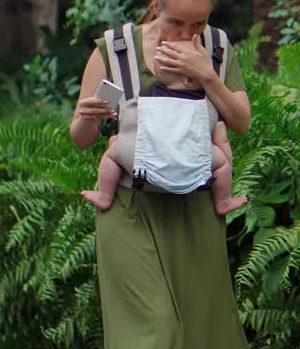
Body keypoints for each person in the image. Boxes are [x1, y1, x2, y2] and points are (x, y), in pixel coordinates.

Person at [68, 0, 266, 349]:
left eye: (197, 24)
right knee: (152, 325)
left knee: (180, 331)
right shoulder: (117, 50)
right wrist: (88, 116)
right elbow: (83, 138)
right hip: (128, 209)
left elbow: (241, 123)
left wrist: (206, 73)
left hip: (194, 211)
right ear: (156, 6)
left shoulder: (218, 49)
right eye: (178, 23)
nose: (186, 35)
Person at [79, 31, 248, 216]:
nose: (160, 53)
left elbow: (129, 120)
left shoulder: (145, 96)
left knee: (112, 154)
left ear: (188, 78)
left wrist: (117, 139)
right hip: (195, 163)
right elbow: (220, 133)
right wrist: (223, 153)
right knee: (222, 163)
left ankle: (104, 194)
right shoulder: (208, 103)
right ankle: (223, 201)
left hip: (142, 167)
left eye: (171, 57)